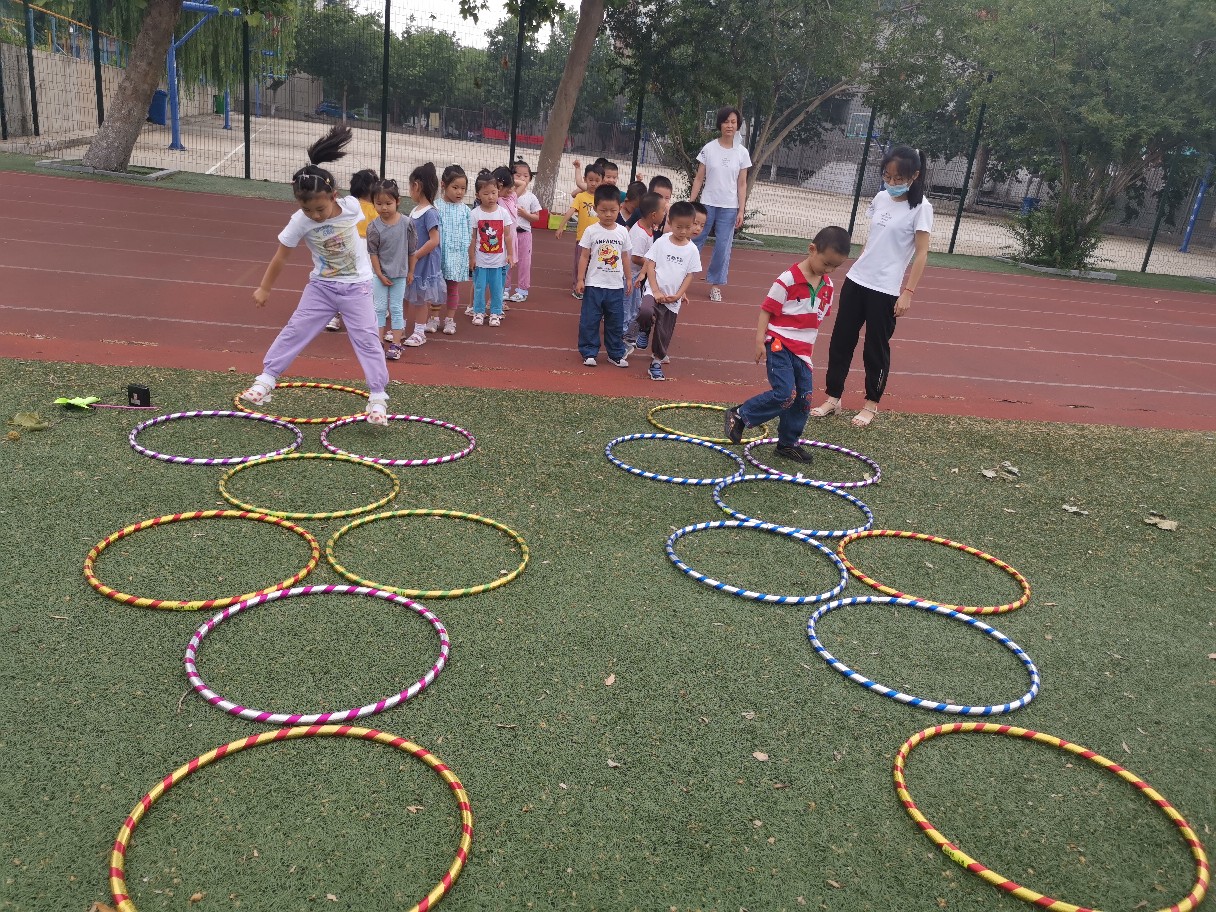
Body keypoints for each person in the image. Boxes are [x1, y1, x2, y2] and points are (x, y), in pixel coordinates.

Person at [241, 124, 389, 425]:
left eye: (320, 209)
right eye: (308, 210)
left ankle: (377, 397)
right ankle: (266, 380)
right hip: (321, 287)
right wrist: (265, 288)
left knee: (367, 339)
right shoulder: (299, 221)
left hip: (357, 287)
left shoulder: (352, 207)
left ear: (334, 196)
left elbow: (374, 213)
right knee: (296, 329)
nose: (316, 216)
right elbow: (281, 256)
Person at [811, 146, 932, 427]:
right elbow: (873, 239)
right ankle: (833, 397)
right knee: (841, 342)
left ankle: (870, 404)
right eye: (887, 176)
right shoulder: (880, 198)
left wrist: (908, 292)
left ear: (914, 175)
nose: (891, 182)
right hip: (857, 281)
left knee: (875, 349)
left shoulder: (921, 208)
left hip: (886, 290)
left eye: (898, 178)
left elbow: (922, 253)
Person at [724, 226, 853, 461]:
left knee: (803, 398)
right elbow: (767, 309)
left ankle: (787, 443)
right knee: (785, 393)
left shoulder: (828, 286)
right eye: (826, 263)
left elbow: (818, 317)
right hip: (779, 343)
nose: (830, 270)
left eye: (836, 267)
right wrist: (760, 341)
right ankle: (740, 414)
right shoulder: (788, 279)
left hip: (803, 352)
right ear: (812, 249)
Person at [689, 106, 751, 302]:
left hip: (729, 207)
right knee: (695, 240)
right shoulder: (709, 148)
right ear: (720, 124)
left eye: (733, 122)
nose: (729, 125)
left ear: (738, 125)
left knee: (723, 247)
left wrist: (741, 210)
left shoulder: (742, 153)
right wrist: (691, 202)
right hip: (707, 204)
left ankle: (715, 284)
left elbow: (742, 183)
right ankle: (680, 275)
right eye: (726, 122)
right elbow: (699, 178)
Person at [636, 200, 702, 380]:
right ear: (670, 223)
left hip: (672, 299)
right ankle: (644, 329)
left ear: (693, 224)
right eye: (679, 227)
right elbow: (650, 265)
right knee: (645, 311)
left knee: (663, 333)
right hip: (653, 291)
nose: (683, 231)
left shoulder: (692, 250)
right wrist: (655, 290)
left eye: (687, 227)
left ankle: (656, 363)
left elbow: (689, 276)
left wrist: (678, 295)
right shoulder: (662, 242)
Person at [576, 183, 633, 367]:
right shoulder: (591, 231)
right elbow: (584, 256)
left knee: (615, 322)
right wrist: (580, 279)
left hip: (615, 286)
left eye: (613, 210)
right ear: (595, 209)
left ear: (620, 208)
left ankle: (615, 353)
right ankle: (589, 352)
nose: (608, 214)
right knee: (590, 320)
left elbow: (625, 256)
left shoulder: (622, 232)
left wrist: (629, 278)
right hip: (594, 285)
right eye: (603, 210)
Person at [325, 166, 380, 333]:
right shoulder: (375, 210)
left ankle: (335, 316)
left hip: (347, 246)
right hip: (366, 250)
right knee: (365, 282)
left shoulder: (349, 205)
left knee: (342, 279)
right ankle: (364, 315)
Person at [366, 179, 413, 360]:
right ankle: (378, 342)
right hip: (380, 275)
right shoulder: (373, 227)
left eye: (388, 203)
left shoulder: (406, 223)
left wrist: (410, 272)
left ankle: (396, 344)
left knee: (396, 308)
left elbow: (411, 250)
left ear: (397, 201)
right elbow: (373, 253)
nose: (384, 208)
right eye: (379, 204)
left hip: (399, 275)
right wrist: (379, 274)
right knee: (378, 307)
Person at [401, 162, 444, 346]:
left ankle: (419, 332)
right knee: (403, 295)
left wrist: (417, 255)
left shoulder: (430, 212)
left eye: (410, 187)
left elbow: (434, 240)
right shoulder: (415, 210)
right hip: (411, 261)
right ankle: (400, 327)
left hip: (423, 262)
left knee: (420, 298)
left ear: (416, 186)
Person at [469, 169, 515, 326]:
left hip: (498, 261)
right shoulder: (475, 214)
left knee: (497, 289)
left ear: (498, 192)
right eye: (486, 193)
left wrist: (510, 254)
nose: (490, 197)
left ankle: (495, 312)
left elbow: (507, 236)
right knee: (479, 287)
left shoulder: (503, 213)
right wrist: (471, 257)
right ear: (478, 195)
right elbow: (473, 237)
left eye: (494, 193)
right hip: (481, 261)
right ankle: (478, 311)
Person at [623, 192, 665, 357]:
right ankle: (624, 337)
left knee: (636, 306)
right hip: (632, 276)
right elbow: (635, 257)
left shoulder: (648, 227)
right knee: (631, 307)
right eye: (663, 210)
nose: (665, 214)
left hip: (637, 275)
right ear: (654, 215)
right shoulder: (641, 234)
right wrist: (652, 264)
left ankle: (629, 334)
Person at [555, 161, 604, 299]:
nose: (593, 183)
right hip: (582, 239)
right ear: (585, 180)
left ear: (602, 181)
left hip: (599, 240)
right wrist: (561, 226)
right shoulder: (581, 196)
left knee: (596, 265)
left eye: (597, 180)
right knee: (580, 264)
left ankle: (592, 288)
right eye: (590, 180)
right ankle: (577, 287)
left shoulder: (602, 198)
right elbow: (571, 211)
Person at [435, 164, 473, 335]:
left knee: (452, 288)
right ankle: (433, 317)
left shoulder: (465, 211)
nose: (459, 192)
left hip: (456, 256)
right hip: (438, 255)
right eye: (455, 187)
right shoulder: (436, 207)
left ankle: (450, 320)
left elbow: (469, 235)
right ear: (443, 185)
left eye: (463, 188)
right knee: (436, 287)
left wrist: (468, 256)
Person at [508, 159, 540, 303]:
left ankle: (522, 290)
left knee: (524, 263)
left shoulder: (531, 197)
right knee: (506, 261)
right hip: (509, 234)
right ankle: (505, 288)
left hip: (524, 234)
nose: (522, 178)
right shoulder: (508, 195)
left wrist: (525, 214)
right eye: (518, 175)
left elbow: (536, 217)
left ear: (530, 178)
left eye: (526, 176)